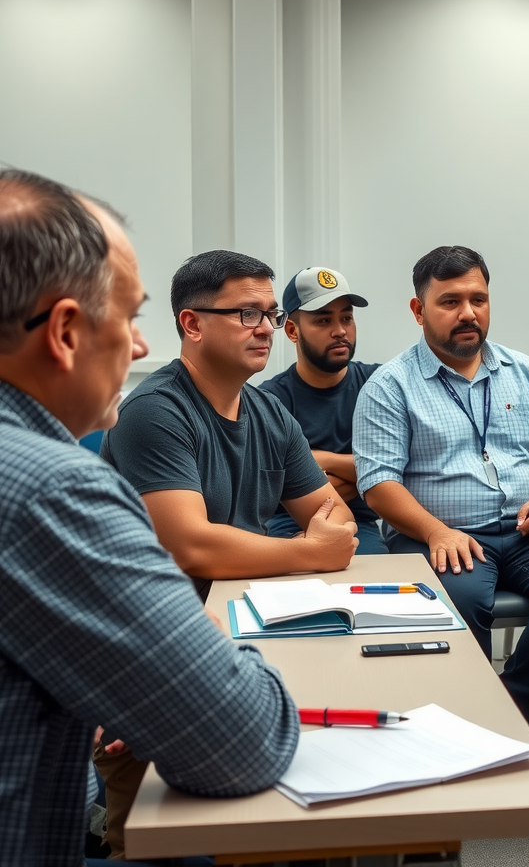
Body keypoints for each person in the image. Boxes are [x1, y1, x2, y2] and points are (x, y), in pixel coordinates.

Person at [0, 170, 298, 867]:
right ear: (68, 331)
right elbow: (241, 740)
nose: (138, 346)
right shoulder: (52, 485)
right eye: (130, 318)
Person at [99, 249, 358, 855]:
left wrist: (298, 547)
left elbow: (338, 522)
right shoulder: (155, 413)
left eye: (269, 314)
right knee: (167, 843)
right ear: (191, 324)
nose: (267, 328)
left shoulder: (269, 411)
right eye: (247, 314)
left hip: (250, 626)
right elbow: (191, 547)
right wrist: (303, 550)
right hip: (157, 652)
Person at [352, 245, 529, 725]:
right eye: (450, 301)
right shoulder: (390, 386)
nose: (468, 313)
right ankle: (455, 723)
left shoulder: (525, 372)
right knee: (455, 607)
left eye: (478, 299)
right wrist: (434, 532)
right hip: (441, 534)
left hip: (528, 527)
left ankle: (511, 704)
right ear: (418, 310)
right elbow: (378, 484)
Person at [261, 265, 386, 554]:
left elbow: (398, 469)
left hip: (360, 524)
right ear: (292, 330)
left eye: (346, 318)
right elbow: (275, 488)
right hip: (287, 524)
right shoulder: (270, 400)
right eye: (323, 321)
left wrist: (320, 459)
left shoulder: (380, 385)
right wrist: (365, 478)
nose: (340, 330)